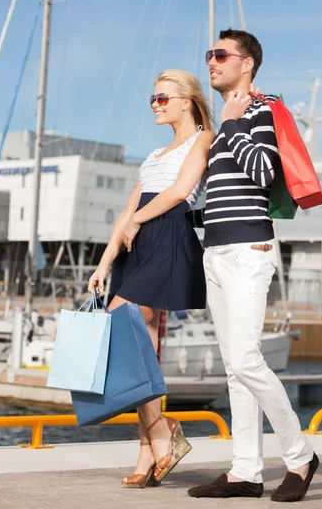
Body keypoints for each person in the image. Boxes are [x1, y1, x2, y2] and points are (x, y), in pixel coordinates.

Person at [187, 29, 319, 502]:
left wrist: (231, 125)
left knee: (246, 359)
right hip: (216, 253)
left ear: (247, 64)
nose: (211, 61)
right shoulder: (226, 120)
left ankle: (300, 458)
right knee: (233, 368)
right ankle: (245, 471)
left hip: (248, 252)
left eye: (220, 54)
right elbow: (213, 199)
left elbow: (264, 172)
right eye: (209, 54)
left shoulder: (258, 111)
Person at [88, 69, 215, 489]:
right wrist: (104, 263)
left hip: (168, 235)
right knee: (144, 347)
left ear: (186, 99)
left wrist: (138, 220)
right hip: (136, 242)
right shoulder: (154, 154)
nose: (156, 104)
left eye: (163, 97)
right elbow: (127, 210)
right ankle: (149, 450)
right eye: (153, 99)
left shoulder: (203, 139)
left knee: (127, 331)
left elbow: (180, 192)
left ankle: (161, 433)